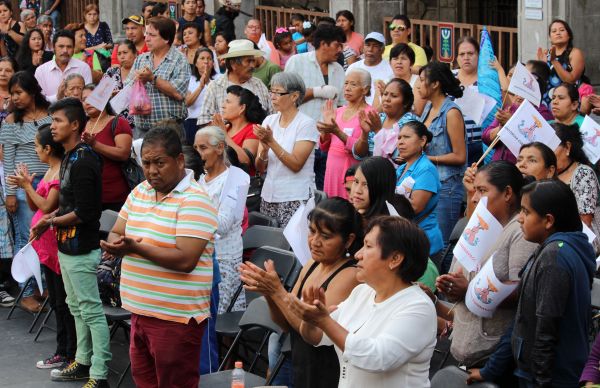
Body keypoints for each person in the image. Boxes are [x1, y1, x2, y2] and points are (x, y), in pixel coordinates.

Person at [100, 126, 218, 388]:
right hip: (140, 309)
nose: (152, 170)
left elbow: (185, 260)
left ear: (179, 161)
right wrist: (116, 244)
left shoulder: (195, 200)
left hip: (174, 317)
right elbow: (117, 231)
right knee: (145, 382)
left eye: (159, 163)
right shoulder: (141, 190)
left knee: (174, 383)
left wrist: (136, 248)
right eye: (146, 163)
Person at [291, 215, 436, 387]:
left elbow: (377, 358)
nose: (358, 254)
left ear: (395, 259)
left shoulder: (418, 307)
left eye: (368, 246)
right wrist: (311, 319)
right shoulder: (362, 291)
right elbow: (316, 337)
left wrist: (323, 320)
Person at [241, 197, 363, 388]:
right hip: (297, 360)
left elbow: (314, 334)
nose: (315, 241)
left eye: (326, 236)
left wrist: (277, 291)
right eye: (312, 231)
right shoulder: (312, 265)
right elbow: (287, 324)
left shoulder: (350, 275)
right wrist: (269, 293)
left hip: (325, 371)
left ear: (349, 240)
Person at [30, 98, 110, 387]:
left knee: (90, 311)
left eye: (58, 121)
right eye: (52, 122)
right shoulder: (69, 157)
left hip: (81, 250)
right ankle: (82, 360)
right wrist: (51, 216)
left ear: (75, 125)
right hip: (66, 248)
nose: (53, 127)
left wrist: (48, 222)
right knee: (76, 308)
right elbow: (67, 205)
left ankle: (99, 374)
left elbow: (86, 212)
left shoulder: (84, 160)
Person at [437, 161, 537, 384]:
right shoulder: (481, 225)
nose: (473, 198)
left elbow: (521, 290)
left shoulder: (520, 232)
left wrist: (469, 290)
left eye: (482, 191)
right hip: (466, 348)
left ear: (508, 193)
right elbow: (461, 278)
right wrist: (450, 287)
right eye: (474, 191)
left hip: (494, 356)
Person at [6, 124, 76, 370]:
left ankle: (69, 352)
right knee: (56, 300)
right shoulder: (49, 170)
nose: (34, 150)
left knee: (63, 301)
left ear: (48, 148)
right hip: (44, 246)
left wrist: (26, 187)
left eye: (36, 145)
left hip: (56, 245)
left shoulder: (59, 173)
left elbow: (47, 207)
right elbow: (36, 208)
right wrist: (28, 186)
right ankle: (62, 350)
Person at [514, 179, 595, 387]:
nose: (519, 218)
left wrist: (542, 381)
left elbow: (546, 328)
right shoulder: (559, 248)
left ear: (548, 220)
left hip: (550, 378)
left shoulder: (554, 257)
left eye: (526, 211)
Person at [0, 71, 51, 313]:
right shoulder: (11, 122)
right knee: (27, 239)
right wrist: (11, 192)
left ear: (32, 91)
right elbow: (8, 160)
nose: (14, 98)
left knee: (47, 237)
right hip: (22, 187)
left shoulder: (51, 115)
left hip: (49, 183)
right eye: (12, 94)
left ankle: (44, 286)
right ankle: (27, 292)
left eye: (18, 93)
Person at [285, 24, 347, 190]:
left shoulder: (339, 69)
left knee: (323, 191)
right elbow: (286, 99)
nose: (340, 50)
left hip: (328, 142)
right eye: (337, 45)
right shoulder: (297, 62)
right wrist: (316, 92)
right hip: (301, 140)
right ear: (324, 44)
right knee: (301, 189)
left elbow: (342, 105)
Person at [254, 72, 319, 227]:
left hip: (295, 196)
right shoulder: (269, 120)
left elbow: (296, 164)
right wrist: (263, 150)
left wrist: (271, 142)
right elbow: (260, 168)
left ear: (294, 96)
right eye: (272, 91)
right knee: (270, 246)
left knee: (292, 247)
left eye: (278, 92)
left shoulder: (306, 124)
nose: (273, 96)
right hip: (269, 195)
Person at [195, 126, 248, 314]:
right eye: (196, 149)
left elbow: (223, 224)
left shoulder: (237, 178)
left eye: (203, 148)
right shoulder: (198, 179)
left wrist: (191, 214)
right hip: (198, 256)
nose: (198, 154)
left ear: (219, 148)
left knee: (217, 316)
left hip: (223, 258)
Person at [418, 61, 466, 249]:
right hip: (427, 183)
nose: (419, 85)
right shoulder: (428, 108)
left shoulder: (451, 112)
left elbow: (460, 156)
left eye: (422, 81)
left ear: (435, 84)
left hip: (447, 187)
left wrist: (428, 159)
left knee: (443, 244)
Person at [127, 16, 190, 139]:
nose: (147, 38)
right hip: (141, 130)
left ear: (166, 39)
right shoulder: (141, 59)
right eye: (146, 34)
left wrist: (152, 78)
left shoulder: (179, 60)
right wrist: (136, 81)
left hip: (169, 131)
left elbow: (178, 93)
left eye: (152, 35)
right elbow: (128, 87)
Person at [318, 69, 373, 198]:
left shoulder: (370, 113)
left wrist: (336, 131)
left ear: (365, 89)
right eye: (346, 83)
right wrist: (325, 129)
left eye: (353, 84)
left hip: (352, 172)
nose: (347, 88)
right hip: (332, 170)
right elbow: (324, 147)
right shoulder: (338, 111)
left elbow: (361, 151)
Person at [395, 121, 444, 263]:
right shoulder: (401, 168)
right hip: (407, 239)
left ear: (422, 141)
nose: (401, 142)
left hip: (424, 243)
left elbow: (416, 207)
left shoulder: (426, 169)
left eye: (406, 137)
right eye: (399, 138)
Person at [80, 85, 134, 212]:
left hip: (114, 196)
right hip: (88, 196)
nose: (88, 102)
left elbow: (123, 153)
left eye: (92, 97)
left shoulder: (118, 122)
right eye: (84, 99)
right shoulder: (81, 125)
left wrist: (95, 145)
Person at [197, 39, 272, 127]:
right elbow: (204, 121)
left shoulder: (259, 85)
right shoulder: (215, 86)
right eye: (248, 61)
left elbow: (272, 116)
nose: (252, 65)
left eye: (253, 61)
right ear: (233, 63)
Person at [354, 78, 419, 161]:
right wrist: (364, 134)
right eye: (385, 94)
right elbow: (359, 154)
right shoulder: (378, 118)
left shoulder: (411, 124)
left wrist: (378, 131)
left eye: (394, 96)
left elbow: (397, 157)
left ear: (406, 102)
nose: (387, 99)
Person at [553, 123, 600, 237]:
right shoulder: (548, 175)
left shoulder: (583, 173)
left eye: (552, 145)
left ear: (567, 147)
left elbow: (585, 222)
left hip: (579, 245)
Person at [212, 85, 264, 169]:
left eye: (228, 102)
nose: (223, 106)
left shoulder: (253, 129)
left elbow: (245, 161)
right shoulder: (226, 128)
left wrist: (224, 134)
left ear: (242, 108)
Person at [537, 19, 587, 106]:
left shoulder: (575, 53)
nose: (558, 33)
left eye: (562, 30)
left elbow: (571, 80)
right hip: (547, 100)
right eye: (554, 31)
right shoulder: (546, 54)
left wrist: (554, 61)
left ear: (569, 35)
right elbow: (540, 82)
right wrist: (541, 66)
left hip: (567, 101)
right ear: (550, 37)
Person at [34, 29, 92, 102]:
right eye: (61, 46)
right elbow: (39, 101)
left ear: (73, 48)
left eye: (69, 47)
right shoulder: (41, 71)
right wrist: (58, 97)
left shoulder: (83, 68)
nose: (65, 50)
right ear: (53, 48)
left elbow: (88, 97)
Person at [346, 32, 393, 105]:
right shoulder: (353, 68)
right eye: (367, 45)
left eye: (375, 46)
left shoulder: (391, 69)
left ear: (382, 49)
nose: (370, 49)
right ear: (363, 48)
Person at [184, 47, 219, 144]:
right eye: (202, 58)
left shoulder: (219, 79)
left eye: (209, 58)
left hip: (213, 122)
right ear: (196, 63)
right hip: (194, 122)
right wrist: (200, 86)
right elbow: (187, 103)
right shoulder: (190, 80)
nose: (206, 61)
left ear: (213, 62)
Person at [106, 39, 138, 128]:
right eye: (119, 54)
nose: (122, 56)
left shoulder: (140, 73)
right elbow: (100, 97)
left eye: (125, 52)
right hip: (115, 123)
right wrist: (110, 95)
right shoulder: (111, 72)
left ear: (135, 54)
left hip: (137, 123)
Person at [0, 56, 16, 124]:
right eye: (0, 70)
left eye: (8, 71)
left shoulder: (22, 95)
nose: (2, 74)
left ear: (16, 73)